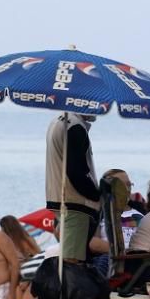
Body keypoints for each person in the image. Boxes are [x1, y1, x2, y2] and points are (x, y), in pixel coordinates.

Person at [46, 112, 100, 264]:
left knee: (68, 256)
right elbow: (76, 171)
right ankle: (67, 288)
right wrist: (96, 195)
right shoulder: (75, 126)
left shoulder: (58, 121)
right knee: (72, 261)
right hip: (75, 201)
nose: (98, 109)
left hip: (59, 196)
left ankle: (65, 285)